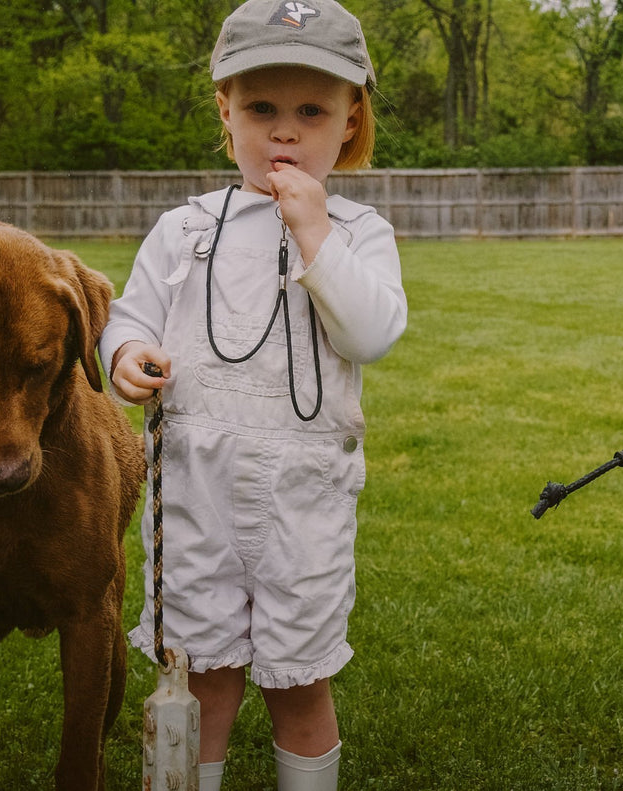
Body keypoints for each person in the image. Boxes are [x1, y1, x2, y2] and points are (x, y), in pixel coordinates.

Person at [98, 0, 405, 788]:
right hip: (195, 485)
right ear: (225, 111)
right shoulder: (185, 227)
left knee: (298, 677)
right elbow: (129, 315)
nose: (286, 131)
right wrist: (126, 353)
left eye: (312, 110)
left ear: (349, 121)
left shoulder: (358, 231)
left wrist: (314, 235)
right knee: (200, 671)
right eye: (262, 108)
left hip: (303, 496)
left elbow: (369, 333)